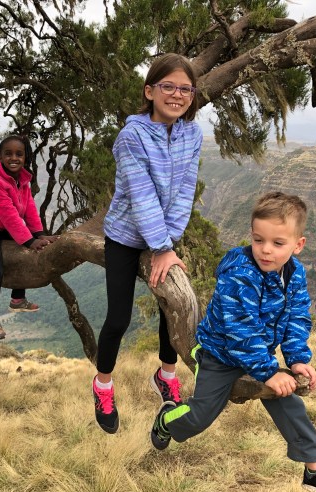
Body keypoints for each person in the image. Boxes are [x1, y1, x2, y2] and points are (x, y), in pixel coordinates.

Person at [150, 192, 316, 492]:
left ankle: (315, 469)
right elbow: (240, 330)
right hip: (221, 355)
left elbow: (297, 316)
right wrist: (269, 371)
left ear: (298, 244)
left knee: (287, 399)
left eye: (278, 243)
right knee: (200, 416)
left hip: (259, 353)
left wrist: (297, 359)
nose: (266, 249)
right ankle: (167, 419)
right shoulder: (240, 273)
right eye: (258, 240)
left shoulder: (294, 273)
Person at [92, 53, 203, 434]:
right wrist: (160, 247)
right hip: (125, 237)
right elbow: (141, 197)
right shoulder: (132, 137)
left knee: (173, 309)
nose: (177, 94)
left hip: (164, 238)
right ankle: (103, 384)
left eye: (185, 89)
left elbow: (186, 189)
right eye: (168, 86)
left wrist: (167, 244)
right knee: (118, 318)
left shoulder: (193, 134)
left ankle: (166, 375)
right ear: (150, 91)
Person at [0, 134, 58, 339]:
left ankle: (17, 300)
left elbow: (29, 209)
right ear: (0, 157)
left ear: (25, 158)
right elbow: (9, 216)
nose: (14, 158)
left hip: (5, 229)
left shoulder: (23, 180)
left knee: (24, 256)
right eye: (8, 154)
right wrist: (29, 241)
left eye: (19, 154)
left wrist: (39, 235)